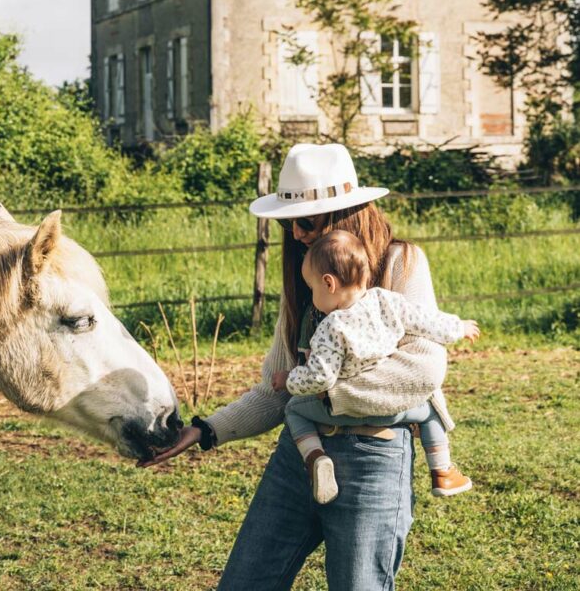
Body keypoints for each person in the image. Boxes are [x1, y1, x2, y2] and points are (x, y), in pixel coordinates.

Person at [144, 143, 465, 591]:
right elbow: (277, 388)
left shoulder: (400, 264)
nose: (295, 233)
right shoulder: (309, 283)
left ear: (345, 216)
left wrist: (321, 395)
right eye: (288, 222)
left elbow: (421, 371)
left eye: (306, 222)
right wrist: (206, 429)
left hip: (373, 458)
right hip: (298, 456)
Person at [273, 229, 479, 505]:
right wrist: (458, 327)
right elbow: (425, 321)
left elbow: (320, 378)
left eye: (312, 289)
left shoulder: (331, 327)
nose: (312, 297)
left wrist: (289, 379)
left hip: (346, 410)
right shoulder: (385, 300)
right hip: (394, 410)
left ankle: (315, 458)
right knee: (431, 407)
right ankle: (442, 469)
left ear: (328, 283)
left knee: (294, 410)